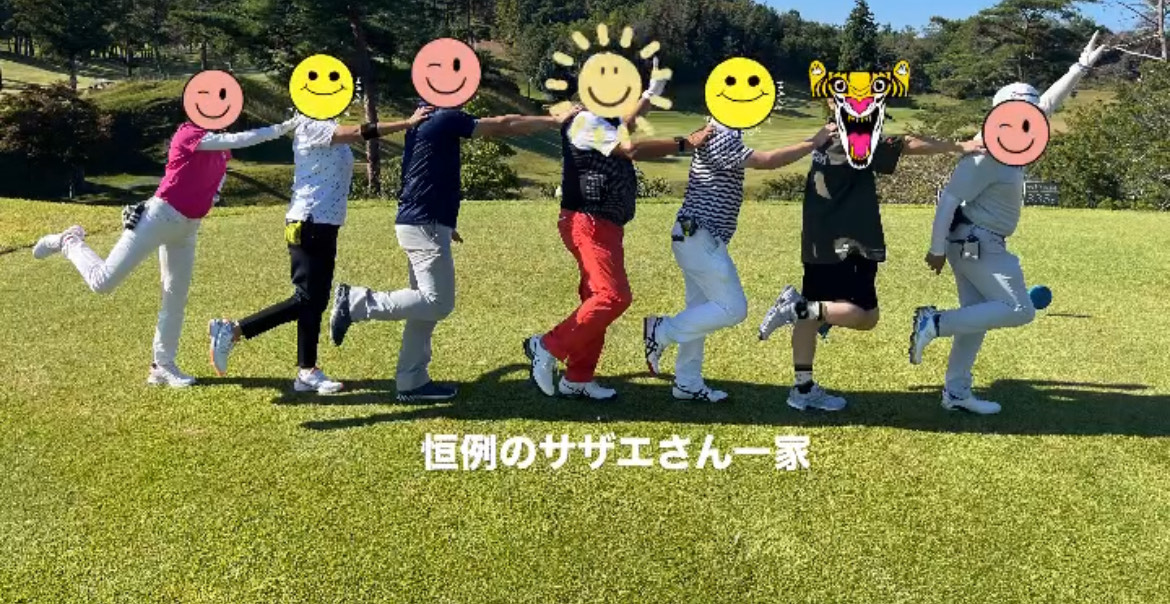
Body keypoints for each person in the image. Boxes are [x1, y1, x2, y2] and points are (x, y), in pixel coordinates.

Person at [907, 32, 1110, 415]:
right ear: (1001, 115)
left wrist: (1080, 67)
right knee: (1019, 309)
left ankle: (956, 393)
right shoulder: (985, 153)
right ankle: (934, 322)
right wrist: (935, 249)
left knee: (977, 319)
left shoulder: (1017, 136)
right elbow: (949, 198)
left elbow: (1048, 104)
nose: (1029, 119)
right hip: (976, 241)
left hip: (978, 240)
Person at [327, 104, 581, 402]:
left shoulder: (424, 119)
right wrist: (554, 120)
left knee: (423, 311)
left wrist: (445, 221)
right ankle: (356, 303)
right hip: (425, 224)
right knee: (437, 303)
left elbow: (421, 171)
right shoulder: (443, 116)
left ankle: (412, 381)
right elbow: (503, 124)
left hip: (423, 222)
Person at [31, 112, 299, 387]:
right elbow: (240, 140)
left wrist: (213, 194)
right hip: (158, 218)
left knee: (175, 296)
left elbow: (218, 175)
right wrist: (284, 127)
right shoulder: (188, 133)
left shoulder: (221, 148)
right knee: (103, 282)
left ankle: (162, 366)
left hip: (188, 228)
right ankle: (68, 242)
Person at [756, 101, 984, 412]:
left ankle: (803, 388)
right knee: (865, 317)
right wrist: (960, 145)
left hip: (817, 240)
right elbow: (908, 144)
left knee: (812, 313)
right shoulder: (855, 140)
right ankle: (794, 307)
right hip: (849, 243)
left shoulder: (828, 133)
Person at [206, 106, 434, 394]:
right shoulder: (310, 124)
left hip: (324, 224)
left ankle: (307, 372)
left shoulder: (325, 122)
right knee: (307, 299)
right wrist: (407, 123)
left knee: (314, 301)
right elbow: (357, 132)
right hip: (309, 222)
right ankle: (233, 330)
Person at [523, 82, 715, 401]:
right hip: (589, 221)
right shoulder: (584, 121)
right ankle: (546, 346)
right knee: (612, 297)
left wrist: (651, 94)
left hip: (604, 223)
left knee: (595, 301)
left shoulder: (601, 120)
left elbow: (627, 124)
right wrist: (687, 142)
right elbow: (631, 149)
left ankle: (578, 378)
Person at [642, 118, 837, 402]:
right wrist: (813, 142)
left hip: (694, 237)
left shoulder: (717, 132)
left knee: (699, 312)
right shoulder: (721, 136)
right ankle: (661, 331)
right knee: (733, 309)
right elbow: (768, 161)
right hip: (700, 238)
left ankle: (687, 382)